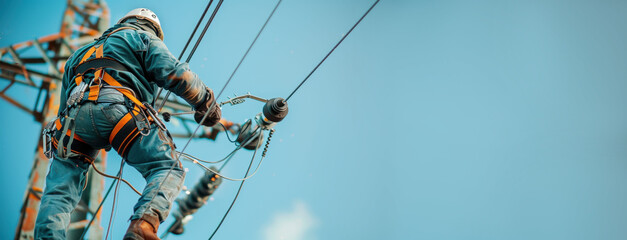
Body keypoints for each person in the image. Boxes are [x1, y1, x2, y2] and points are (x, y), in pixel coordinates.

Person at [34, 8, 221, 239]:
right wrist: (205, 101)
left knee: (59, 192)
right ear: (152, 28)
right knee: (167, 168)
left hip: (72, 124)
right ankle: (143, 226)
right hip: (118, 111)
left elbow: (63, 105)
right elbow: (174, 73)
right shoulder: (142, 37)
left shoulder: (78, 54)